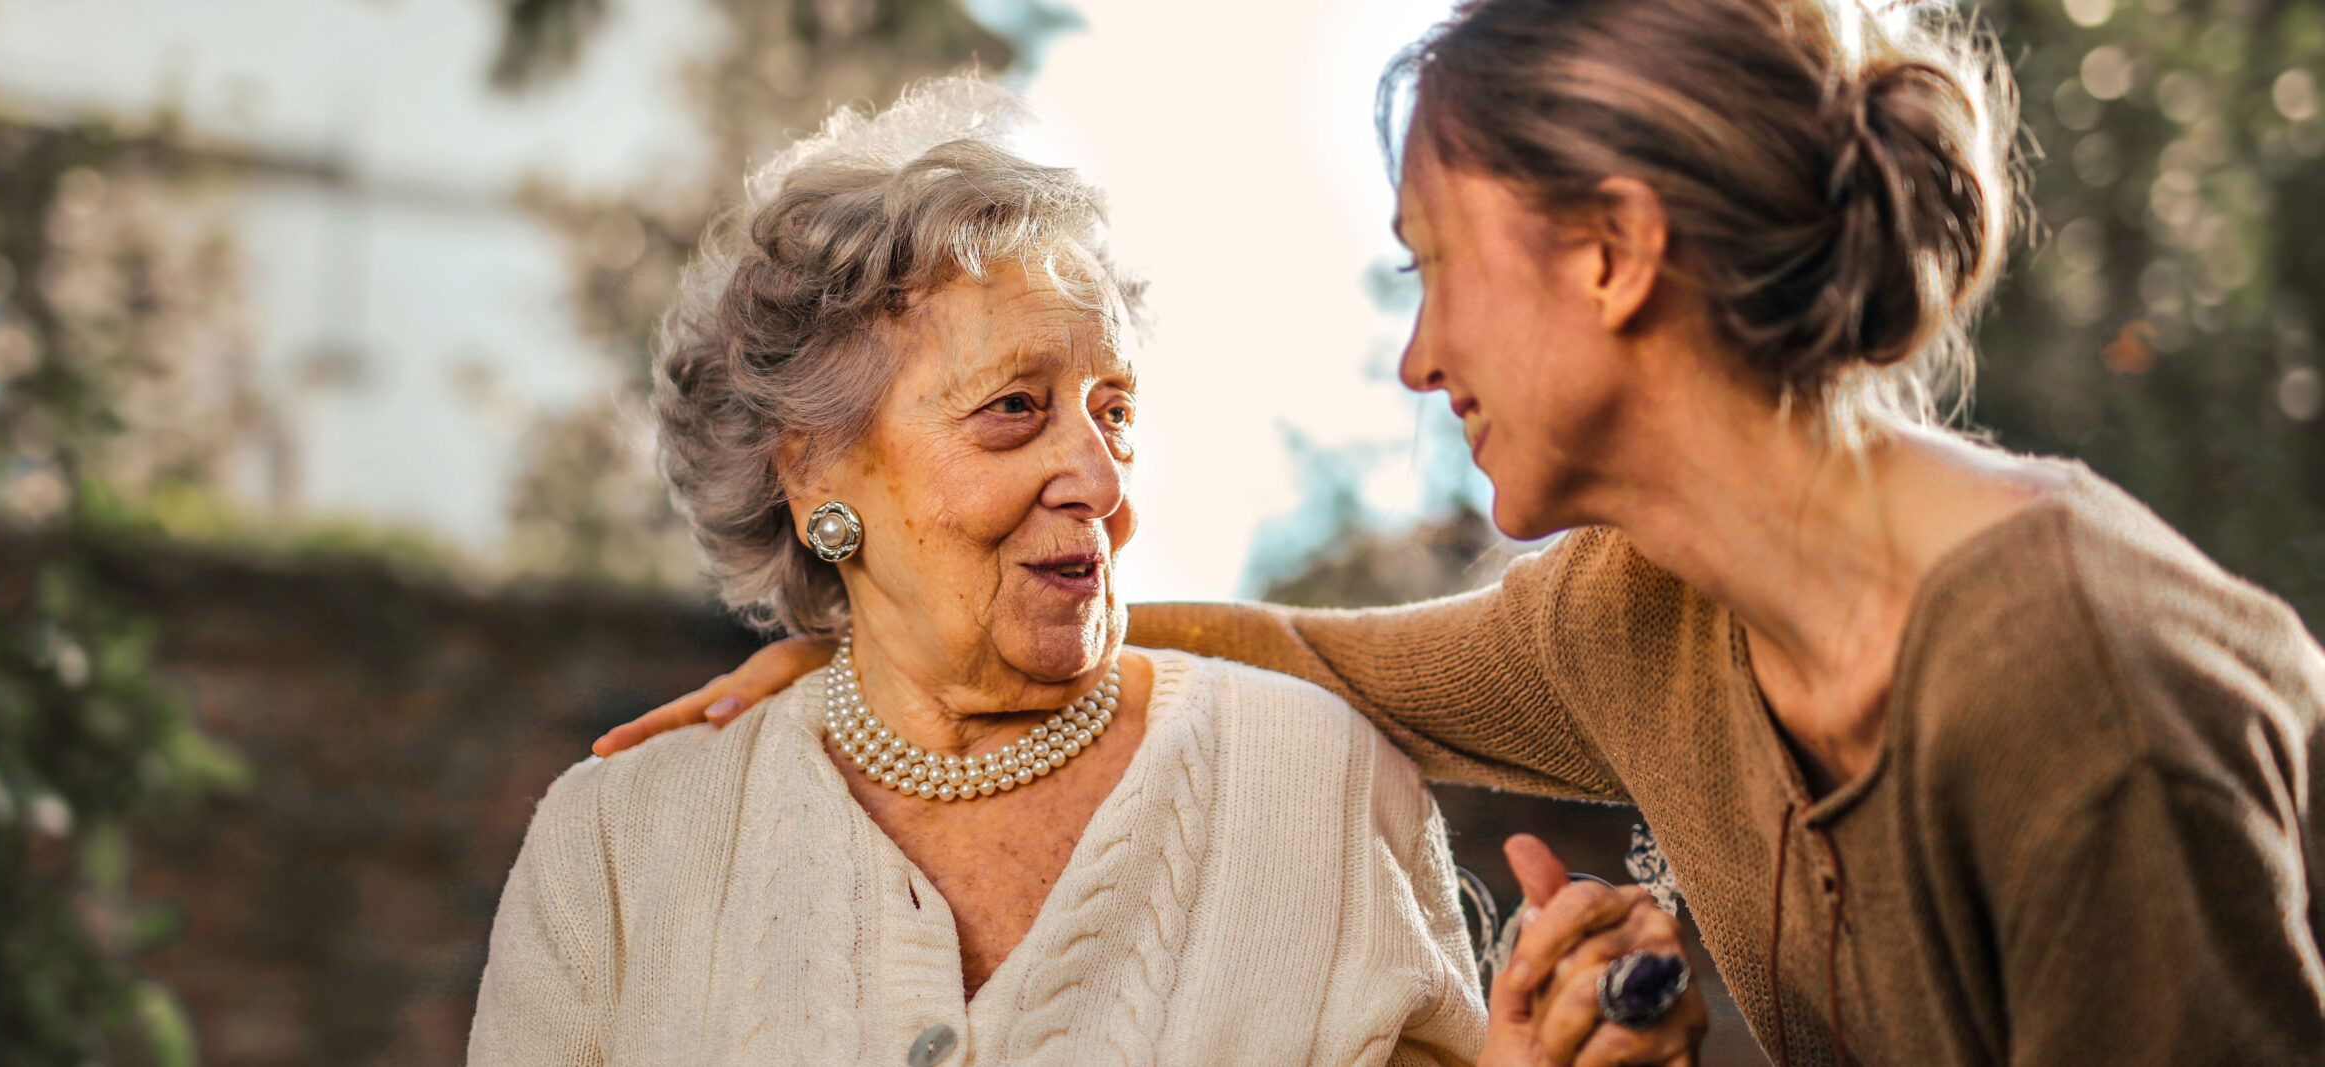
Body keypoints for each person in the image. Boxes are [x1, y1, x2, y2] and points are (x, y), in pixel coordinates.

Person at [594, 0, 2325, 1063]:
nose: (1419, 353)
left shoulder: (2074, 687)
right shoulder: (1641, 615)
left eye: (1434, 262)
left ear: (1612, 251)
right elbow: (1301, 654)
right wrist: (872, 641)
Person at [467, 78, 1525, 1065]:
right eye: (1014, 407)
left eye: (1113, 412)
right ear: (814, 467)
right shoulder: (614, 842)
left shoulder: (1318, 784)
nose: (1099, 479)